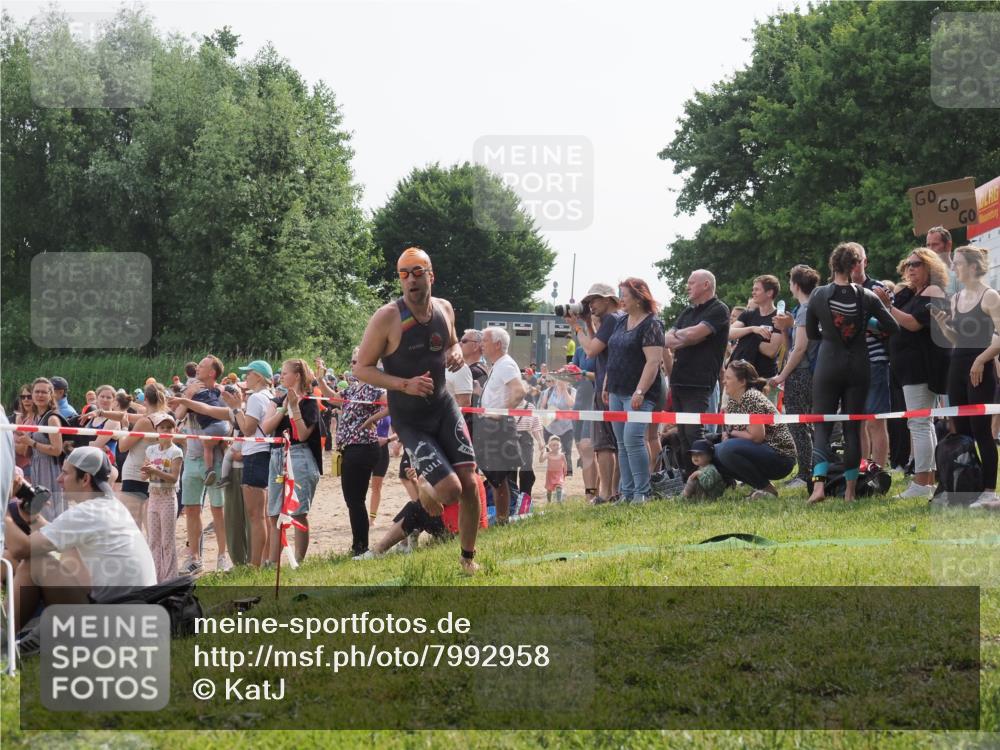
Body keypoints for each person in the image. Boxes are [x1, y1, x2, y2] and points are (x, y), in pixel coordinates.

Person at [13, 446, 157, 632]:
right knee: (66, 554)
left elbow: (21, 549)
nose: (59, 480)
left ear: (85, 479)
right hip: (134, 615)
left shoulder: (87, 512)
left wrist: (6, 511)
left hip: (115, 618)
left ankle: (6, 637)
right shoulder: (110, 506)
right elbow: (60, 541)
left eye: (65, 473)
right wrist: (32, 516)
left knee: (34, 563)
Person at [807, 242, 899, 503]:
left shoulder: (819, 295)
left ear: (832, 264)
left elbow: (812, 334)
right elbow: (892, 327)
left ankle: (819, 488)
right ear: (854, 266)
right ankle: (849, 492)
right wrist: (864, 325)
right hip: (859, 365)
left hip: (828, 363)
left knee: (822, 427)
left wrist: (830, 330)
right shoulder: (867, 296)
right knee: (852, 429)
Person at [874, 248, 949, 498]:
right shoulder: (907, 292)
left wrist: (887, 305)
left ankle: (921, 482)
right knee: (920, 422)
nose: (911, 268)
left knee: (918, 422)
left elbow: (913, 323)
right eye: (908, 264)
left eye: (917, 263)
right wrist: (887, 300)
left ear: (930, 266)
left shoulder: (934, 291)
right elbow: (891, 318)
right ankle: (926, 480)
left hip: (922, 367)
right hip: (904, 366)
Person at [931, 246, 1000, 506]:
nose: (953, 268)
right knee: (960, 429)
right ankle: (965, 481)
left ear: (972, 266)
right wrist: (941, 324)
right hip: (957, 366)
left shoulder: (990, 296)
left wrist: (982, 359)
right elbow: (956, 339)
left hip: (979, 368)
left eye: (957, 263)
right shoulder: (956, 298)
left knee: (981, 429)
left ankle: (989, 489)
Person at [167, 358, 233, 573]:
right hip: (192, 458)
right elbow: (176, 417)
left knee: (218, 510)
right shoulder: (191, 389)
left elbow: (231, 423)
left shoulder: (222, 395)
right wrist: (187, 396)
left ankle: (224, 556)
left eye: (202, 366)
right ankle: (195, 558)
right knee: (192, 509)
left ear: (212, 373)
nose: (198, 369)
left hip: (216, 460)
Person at [603, 277, 665, 503]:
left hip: (640, 393)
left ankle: (642, 491)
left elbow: (653, 362)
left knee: (633, 438)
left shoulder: (652, 325)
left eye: (624, 296)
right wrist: (606, 385)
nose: (621, 300)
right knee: (621, 442)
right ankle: (627, 492)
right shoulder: (620, 322)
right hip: (617, 390)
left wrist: (640, 392)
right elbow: (614, 353)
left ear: (639, 298)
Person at [664, 270, 731, 478]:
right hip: (679, 381)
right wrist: (687, 336)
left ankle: (710, 478)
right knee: (682, 435)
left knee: (694, 433)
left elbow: (694, 334)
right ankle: (689, 480)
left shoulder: (719, 309)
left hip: (699, 382)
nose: (687, 286)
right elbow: (667, 339)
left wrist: (687, 335)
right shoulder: (687, 312)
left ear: (706, 285)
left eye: (691, 282)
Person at [261, 359, 323, 564]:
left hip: (299, 454)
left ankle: (298, 562)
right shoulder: (279, 401)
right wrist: (284, 407)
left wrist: (295, 408)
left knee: (298, 513)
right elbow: (267, 428)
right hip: (277, 454)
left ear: (297, 375)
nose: (281, 376)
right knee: (274, 513)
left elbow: (303, 434)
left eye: (285, 373)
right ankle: (272, 563)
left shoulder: (310, 402)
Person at [565, 282, 622, 504]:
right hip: (606, 387)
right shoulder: (614, 320)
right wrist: (587, 322)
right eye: (587, 302)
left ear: (608, 300)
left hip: (607, 388)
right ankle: (611, 492)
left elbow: (591, 350)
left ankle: (607, 493)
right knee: (609, 444)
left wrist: (577, 328)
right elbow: (599, 349)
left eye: (594, 300)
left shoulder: (611, 320)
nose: (590, 305)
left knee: (606, 444)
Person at [769, 265, 821, 490]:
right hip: (804, 372)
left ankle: (805, 474)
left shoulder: (805, 310)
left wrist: (782, 375)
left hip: (802, 373)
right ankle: (807, 471)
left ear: (796, 285)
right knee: (803, 425)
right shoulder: (802, 310)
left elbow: (800, 349)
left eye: (790, 281)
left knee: (798, 425)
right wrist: (783, 330)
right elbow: (791, 347)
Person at [715, 360, 797, 498]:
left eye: (728, 378)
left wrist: (731, 434)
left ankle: (766, 488)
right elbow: (736, 431)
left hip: (781, 456)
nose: (724, 381)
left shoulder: (751, 397)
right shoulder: (734, 400)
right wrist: (727, 435)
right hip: (763, 450)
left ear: (742, 382)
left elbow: (757, 436)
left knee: (724, 450)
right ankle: (759, 487)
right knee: (714, 451)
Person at [222, 359, 276, 567]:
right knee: (264, 515)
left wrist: (236, 408)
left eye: (249, 373)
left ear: (260, 376)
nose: (246, 377)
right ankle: (265, 561)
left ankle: (255, 565)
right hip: (266, 454)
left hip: (255, 456)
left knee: (256, 516)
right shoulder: (270, 396)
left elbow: (247, 430)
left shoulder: (256, 398)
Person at [103, 383, 174, 534]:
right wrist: (100, 413)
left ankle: (141, 556)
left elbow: (122, 447)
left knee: (134, 524)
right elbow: (127, 415)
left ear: (145, 400)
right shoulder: (167, 419)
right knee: (152, 524)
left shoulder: (144, 421)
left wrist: (124, 428)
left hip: (135, 473)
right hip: (155, 473)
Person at [336, 348, 386, 558]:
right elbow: (334, 399)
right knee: (353, 500)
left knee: (355, 499)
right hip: (352, 448)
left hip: (362, 447)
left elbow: (392, 404)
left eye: (356, 361)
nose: (352, 365)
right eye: (352, 361)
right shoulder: (355, 388)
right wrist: (318, 380)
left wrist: (371, 420)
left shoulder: (374, 387)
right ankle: (359, 545)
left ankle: (360, 547)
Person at [479, 326, 528, 523]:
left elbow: (519, 392)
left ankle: (502, 520)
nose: (481, 345)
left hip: (498, 426)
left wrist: (500, 413)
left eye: (485, 341)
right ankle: (503, 519)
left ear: (497, 344)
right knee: (496, 478)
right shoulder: (499, 364)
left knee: (498, 478)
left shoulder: (506, 364)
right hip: (492, 425)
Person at [852, 245, 893, 469]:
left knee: (876, 421)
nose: (855, 265)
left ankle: (878, 471)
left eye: (858, 260)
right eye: (851, 260)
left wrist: (863, 323)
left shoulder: (879, 289)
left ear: (865, 262)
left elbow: (891, 328)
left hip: (875, 360)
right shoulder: (837, 290)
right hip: (849, 363)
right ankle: (861, 469)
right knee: (856, 422)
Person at [140, 415, 183, 581]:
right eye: (162, 427)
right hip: (154, 497)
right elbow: (143, 475)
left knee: (167, 541)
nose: (165, 430)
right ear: (156, 431)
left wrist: (154, 471)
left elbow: (173, 477)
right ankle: (156, 577)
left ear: (174, 431)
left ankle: (170, 578)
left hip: (168, 497)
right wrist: (145, 472)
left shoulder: (176, 452)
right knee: (153, 540)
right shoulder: (150, 450)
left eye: (169, 427)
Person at [16, 378, 65, 519]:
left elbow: (57, 449)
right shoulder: (36, 417)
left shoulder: (52, 419)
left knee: (51, 508)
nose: (40, 395)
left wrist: (32, 442)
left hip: (50, 467)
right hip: (36, 465)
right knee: (40, 507)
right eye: (37, 392)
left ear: (51, 395)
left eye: (44, 392)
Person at [728, 275, 782, 400]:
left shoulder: (779, 317)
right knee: (736, 419)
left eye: (757, 289)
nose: (753, 292)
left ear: (769, 293)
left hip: (764, 380)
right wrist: (752, 329)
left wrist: (749, 337)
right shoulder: (748, 314)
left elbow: (771, 351)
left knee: (763, 419)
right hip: (740, 379)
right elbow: (729, 333)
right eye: (753, 289)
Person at [539, 377, 575, 476]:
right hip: (550, 426)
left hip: (566, 426)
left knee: (566, 450)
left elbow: (571, 404)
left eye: (563, 379)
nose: (560, 381)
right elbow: (542, 407)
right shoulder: (548, 391)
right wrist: (549, 413)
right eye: (559, 378)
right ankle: (553, 470)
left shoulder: (572, 391)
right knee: (551, 450)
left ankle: (567, 471)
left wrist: (564, 390)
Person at [542, 436, 567, 503]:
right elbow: (541, 460)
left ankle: (559, 502)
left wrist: (565, 471)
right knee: (549, 489)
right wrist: (542, 453)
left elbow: (565, 463)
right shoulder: (548, 454)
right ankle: (549, 501)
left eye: (557, 445)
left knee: (559, 487)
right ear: (550, 446)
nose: (556, 446)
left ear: (560, 446)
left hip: (559, 473)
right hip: (550, 474)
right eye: (554, 445)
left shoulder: (562, 455)